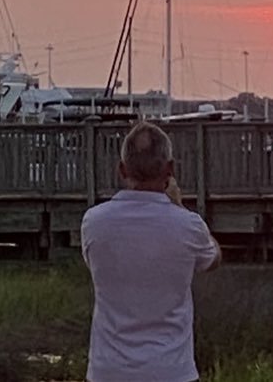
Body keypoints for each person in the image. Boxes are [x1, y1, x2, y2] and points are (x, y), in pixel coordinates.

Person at [82, 122, 222, 382]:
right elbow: (213, 259)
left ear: (122, 169)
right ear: (170, 169)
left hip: (108, 371)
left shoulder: (93, 222)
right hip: (171, 371)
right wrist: (178, 205)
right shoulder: (188, 225)